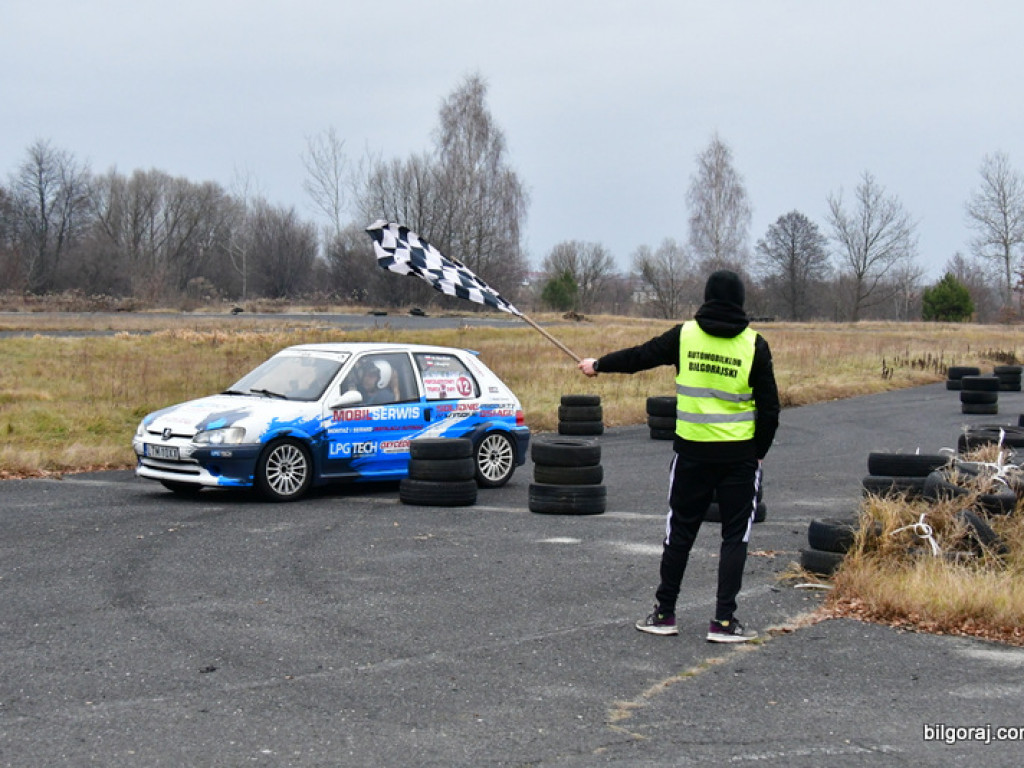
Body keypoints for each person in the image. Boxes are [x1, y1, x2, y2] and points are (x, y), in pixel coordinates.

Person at [578, 270, 780, 643]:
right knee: (735, 536)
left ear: (706, 297)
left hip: (691, 454)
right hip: (738, 458)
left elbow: (640, 356)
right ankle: (723, 622)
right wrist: (759, 454)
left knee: (680, 532)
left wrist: (599, 364)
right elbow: (770, 409)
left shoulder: (685, 335)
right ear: (739, 302)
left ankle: (664, 613)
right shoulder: (755, 345)